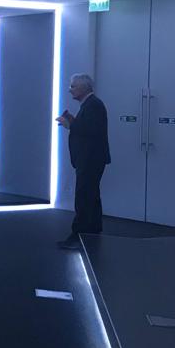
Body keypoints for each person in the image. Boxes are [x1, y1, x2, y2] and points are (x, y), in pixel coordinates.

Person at [57, 73, 110, 249]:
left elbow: (90, 131)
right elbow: (89, 128)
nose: (70, 89)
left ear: (84, 87)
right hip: (90, 159)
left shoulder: (93, 105)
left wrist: (70, 124)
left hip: (90, 159)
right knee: (91, 196)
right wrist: (73, 122)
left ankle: (79, 236)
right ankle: (91, 234)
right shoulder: (91, 104)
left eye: (73, 86)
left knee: (84, 197)